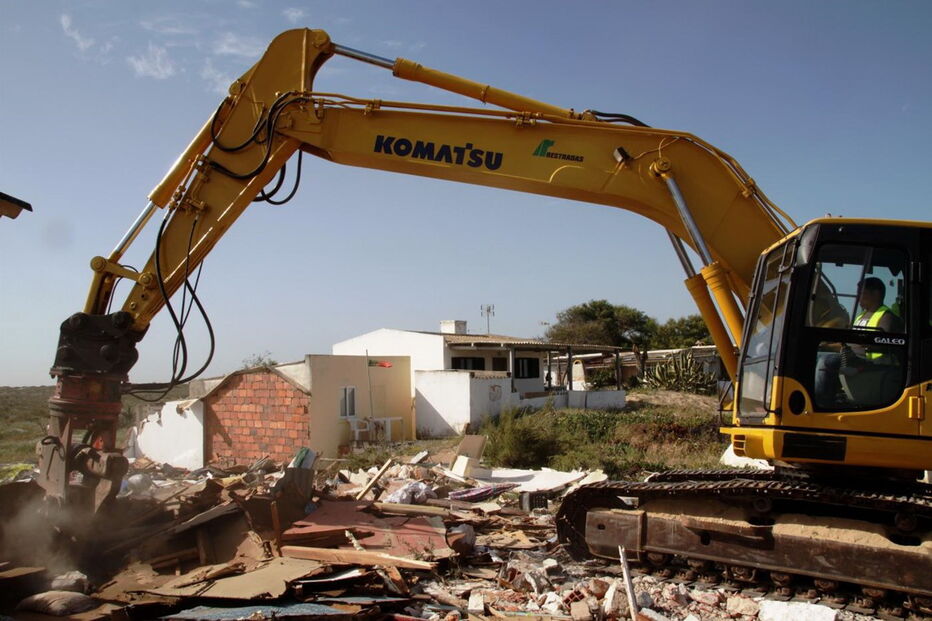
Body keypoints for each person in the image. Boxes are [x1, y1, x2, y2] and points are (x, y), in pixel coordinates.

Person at [814, 277, 896, 406]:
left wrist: (862, 341)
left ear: (876, 294)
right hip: (853, 357)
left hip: (872, 364)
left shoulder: (887, 316)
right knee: (816, 355)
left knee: (827, 362)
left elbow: (883, 344)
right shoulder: (861, 316)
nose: (857, 297)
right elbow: (849, 345)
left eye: (861, 293)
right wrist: (826, 346)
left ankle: (821, 403)